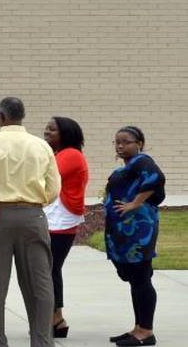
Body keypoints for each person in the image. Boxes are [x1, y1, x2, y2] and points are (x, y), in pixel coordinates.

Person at [0, 97, 60, 347]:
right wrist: (39, 202)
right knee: (40, 285)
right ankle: (42, 342)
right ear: (22, 116)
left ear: (1, 117)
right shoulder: (41, 145)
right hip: (33, 216)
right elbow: (54, 186)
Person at [104, 125, 165, 347]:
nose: (120, 146)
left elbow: (156, 178)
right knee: (135, 280)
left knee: (141, 279)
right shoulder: (131, 165)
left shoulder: (142, 160)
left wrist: (135, 204)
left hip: (139, 231)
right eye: (117, 142)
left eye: (125, 141)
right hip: (123, 232)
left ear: (138, 143)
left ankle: (146, 332)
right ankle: (138, 328)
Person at [42, 116, 89, 339]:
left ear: (66, 133)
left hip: (61, 219)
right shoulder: (58, 154)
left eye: (52, 129)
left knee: (50, 268)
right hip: (53, 217)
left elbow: (44, 178)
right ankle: (54, 318)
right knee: (50, 268)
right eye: (46, 128)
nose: (47, 131)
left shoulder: (70, 154)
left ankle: (56, 317)